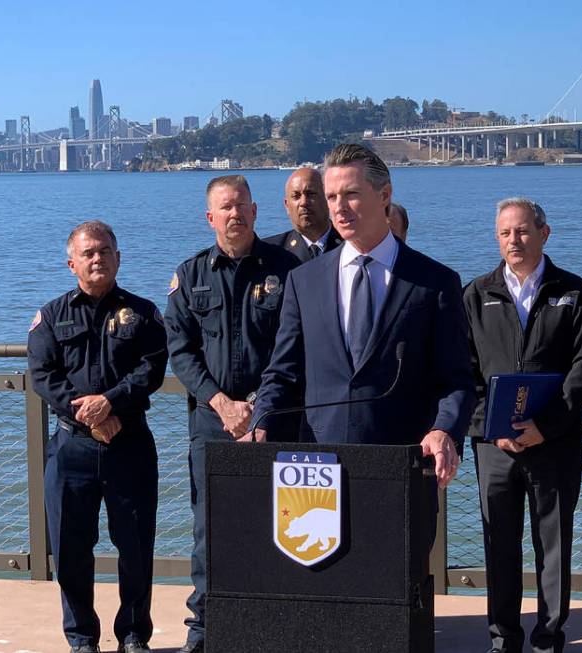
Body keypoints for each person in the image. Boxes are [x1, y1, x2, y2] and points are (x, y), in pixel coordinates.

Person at [249, 143, 475, 490]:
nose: (339, 207)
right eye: (332, 196)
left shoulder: (435, 282)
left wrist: (444, 429)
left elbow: (457, 379)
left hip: (403, 467)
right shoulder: (304, 280)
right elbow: (282, 371)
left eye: (351, 194)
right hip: (315, 474)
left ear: (384, 194)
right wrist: (260, 423)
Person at [164, 174, 300, 653]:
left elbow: (293, 346)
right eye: (225, 207)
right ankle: (202, 628)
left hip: (275, 421)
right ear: (211, 217)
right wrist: (222, 404)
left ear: (256, 211)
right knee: (210, 528)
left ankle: (273, 624)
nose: (235, 214)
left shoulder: (289, 269)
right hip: (212, 422)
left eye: (242, 205)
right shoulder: (191, 275)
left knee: (282, 526)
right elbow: (180, 351)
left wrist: (258, 412)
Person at [465, 198, 582, 653]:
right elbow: (464, 373)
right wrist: (491, 428)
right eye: (505, 233)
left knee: (553, 546)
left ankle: (549, 638)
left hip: (555, 444)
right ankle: (503, 637)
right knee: (498, 544)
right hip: (494, 447)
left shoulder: (575, 292)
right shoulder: (476, 294)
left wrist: (547, 425)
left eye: (522, 231)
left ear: (545, 233)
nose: (514, 241)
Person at [27, 220, 167, 653]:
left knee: (136, 547)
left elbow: (153, 368)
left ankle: (132, 634)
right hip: (73, 449)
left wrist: (110, 401)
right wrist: (88, 413)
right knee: (71, 549)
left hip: (130, 443)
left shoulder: (143, 313)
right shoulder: (52, 316)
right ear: (72, 263)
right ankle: (82, 637)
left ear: (118, 258)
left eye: (105, 251)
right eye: (88, 253)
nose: (97, 259)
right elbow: (43, 375)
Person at [264, 167, 343, 262]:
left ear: (328, 198)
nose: (303, 202)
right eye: (296, 196)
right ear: (287, 205)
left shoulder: (352, 244)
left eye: (311, 194)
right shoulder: (270, 253)